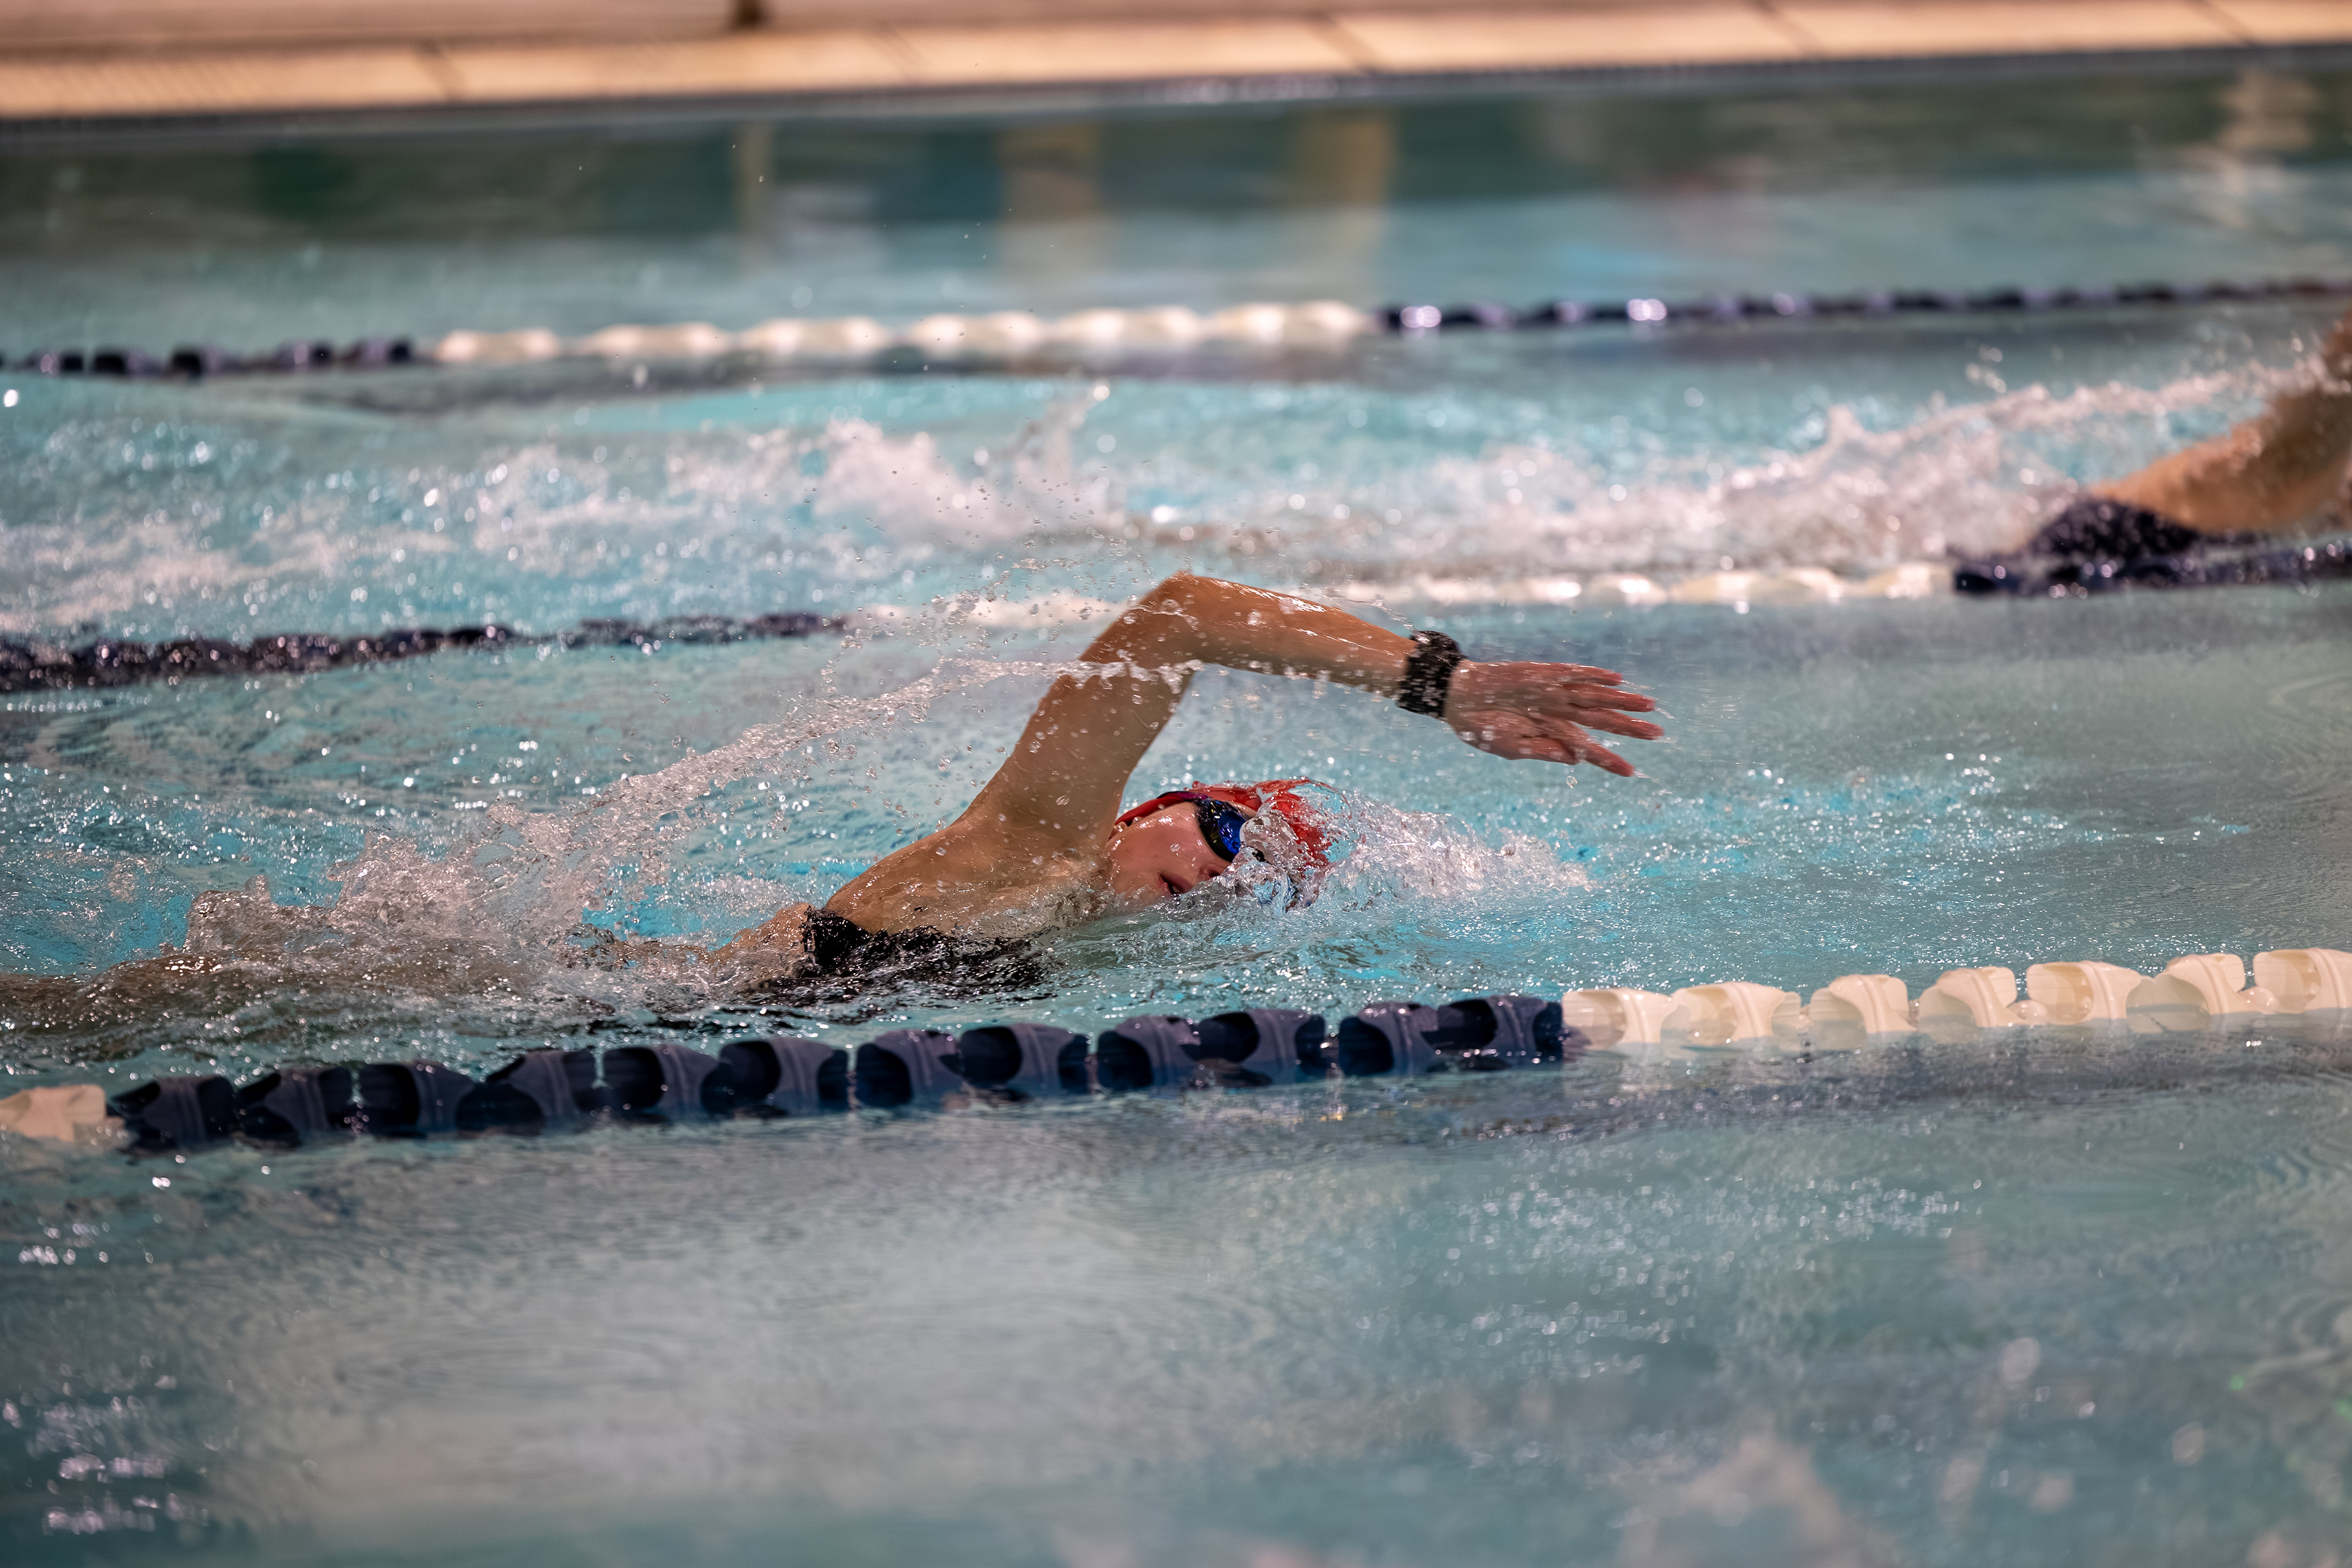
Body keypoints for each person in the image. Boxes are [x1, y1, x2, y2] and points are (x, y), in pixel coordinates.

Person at [704, 575, 1664, 988]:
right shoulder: (1042, 841)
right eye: (1229, 832)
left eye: (1257, 876)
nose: (1224, 872)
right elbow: (1185, 613)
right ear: (1148, 812)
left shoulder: (1083, 950)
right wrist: (1440, 684)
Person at [1956, 303, 2352, 592]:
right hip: (2108, 540)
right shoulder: (2292, 464)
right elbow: (2299, 451)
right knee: (2293, 462)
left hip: (2145, 538)